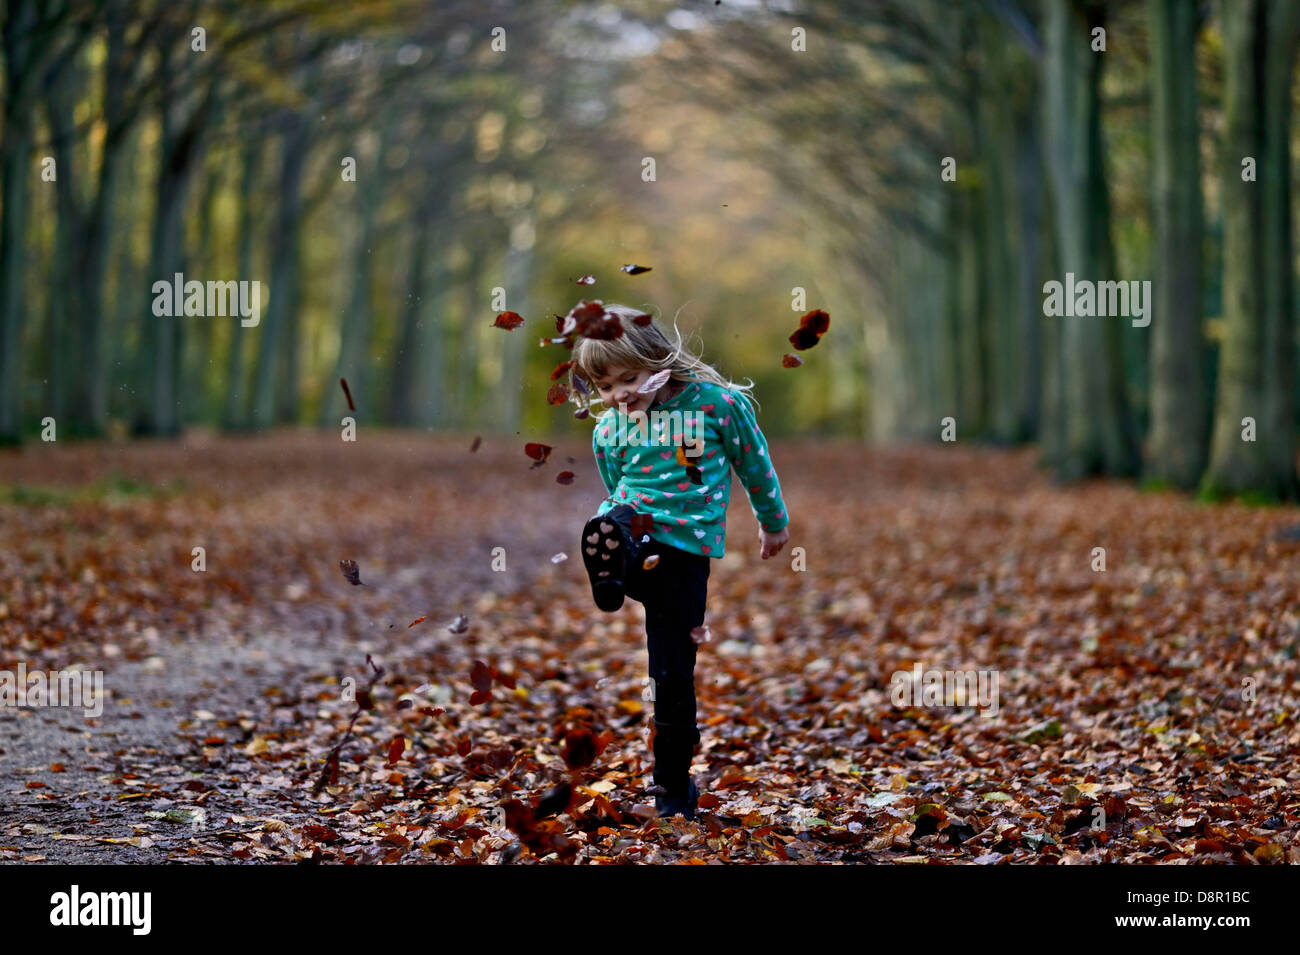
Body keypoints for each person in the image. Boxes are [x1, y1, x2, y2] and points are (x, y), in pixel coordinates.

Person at [569, 302, 790, 821]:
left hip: (683, 554)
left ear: (660, 360)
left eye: (630, 378)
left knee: (671, 673)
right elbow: (613, 478)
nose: (619, 395)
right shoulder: (609, 429)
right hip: (642, 534)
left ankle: (671, 787)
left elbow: (753, 463)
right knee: (617, 520)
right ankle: (612, 566)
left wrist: (773, 521)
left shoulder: (719, 406)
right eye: (605, 388)